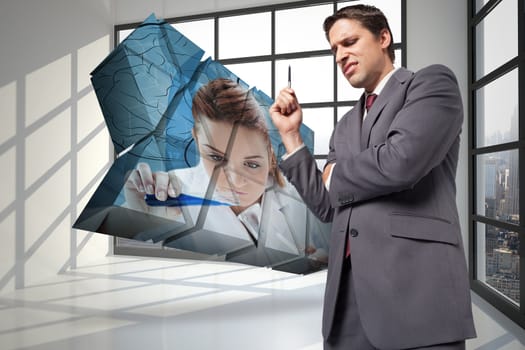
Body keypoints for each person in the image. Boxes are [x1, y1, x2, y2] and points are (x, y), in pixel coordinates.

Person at [270, 4, 476, 349]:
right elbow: (326, 204)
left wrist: (335, 174)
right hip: (347, 300)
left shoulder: (430, 84)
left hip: (417, 293)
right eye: (334, 49)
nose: (340, 55)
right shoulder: (345, 125)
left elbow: (402, 162)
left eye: (349, 42)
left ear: (384, 37)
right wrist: (292, 136)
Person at [124, 78, 330, 273]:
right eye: (215, 157)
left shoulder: (300, 193)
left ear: (270, 151)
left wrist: (325, 262)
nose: (235, 180)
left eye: (251, 164)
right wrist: (142, 224)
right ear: (196, 139)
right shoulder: (171, 195)